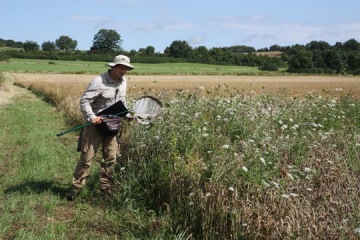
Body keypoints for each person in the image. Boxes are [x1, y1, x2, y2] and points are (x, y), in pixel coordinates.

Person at [67, 55, 134, 201]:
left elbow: (122, 102)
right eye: (121, 67)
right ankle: (75, 188)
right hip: (96, 126)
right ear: (113, 67)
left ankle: (106, 190)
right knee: (86, 158)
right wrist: (92, 117)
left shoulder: (123, 82)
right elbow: (85, 100)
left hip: (114, 126)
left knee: (110, 159)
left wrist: (127, 115)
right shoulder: (99, 81)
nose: (123, 71)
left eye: (126, 68)